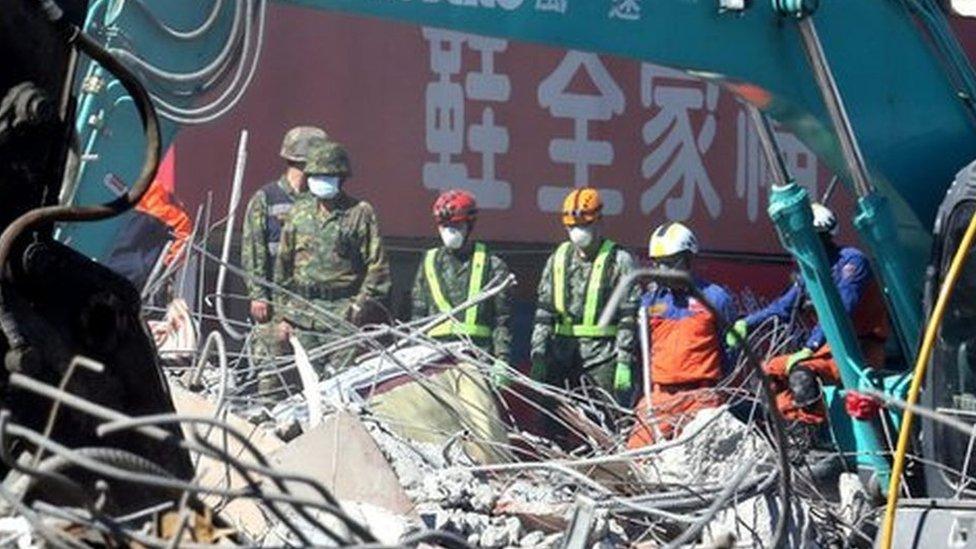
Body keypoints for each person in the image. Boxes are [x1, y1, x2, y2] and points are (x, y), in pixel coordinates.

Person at [726, 203, 889, 424]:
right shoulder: (810, 272)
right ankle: (778, 423)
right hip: (828, 347)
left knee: (801, 374)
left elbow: (840, 309)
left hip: (859, 349)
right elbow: (783, 307)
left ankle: (817, 433)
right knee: (768, 372)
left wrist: (809, 347)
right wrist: (747, 323)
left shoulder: (851, 262)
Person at [273, 138, 391, 374]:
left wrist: (358, 308)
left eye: (328, 175)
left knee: (338, 382)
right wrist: (282, 315)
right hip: (302, 315)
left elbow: (378, 269)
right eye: (316, 175)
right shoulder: (298, 213)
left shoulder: (359, 213)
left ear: (342, 178)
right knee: (308, 383)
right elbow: (282, 269)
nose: (321, 181)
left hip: (342, 316)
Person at [627, 223, 737, 447]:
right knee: (636, 455)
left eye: (668, 263)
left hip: (702, 397)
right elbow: (641, 350)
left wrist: (717, 390)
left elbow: (730, 353)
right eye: (658, 264)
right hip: (660, 397)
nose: (661, 271)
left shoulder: (715, 298)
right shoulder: (650, 301)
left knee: (700, 458)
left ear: (687, 259)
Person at [529, 187, 637, 402]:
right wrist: (538, 353)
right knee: (553, 424)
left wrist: (624, 360)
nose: (578, 232)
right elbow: (544, 311)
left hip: (603, 359)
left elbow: (629, 315)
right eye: (572, 227)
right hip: (560, 356)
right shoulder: (557, 259)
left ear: (599, 222)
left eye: (584, 225)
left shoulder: (619, 260)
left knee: (602, 423)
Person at [241, 126, 326, 395]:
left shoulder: (321, 202)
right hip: (275, 304)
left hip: (312, 307)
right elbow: (253, 250)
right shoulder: (266, 199)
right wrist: (258, 294)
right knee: (271, 377)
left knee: (315, 378)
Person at [411, 190, 513, 383]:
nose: (449, 231)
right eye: (444, 226)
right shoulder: (428, 262)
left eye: (456, 225)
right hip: (436, 361)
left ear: (470, 224)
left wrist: (502, 360)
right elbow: (418, 317)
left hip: (478, 359)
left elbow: (502, 321)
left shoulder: (493, 265)